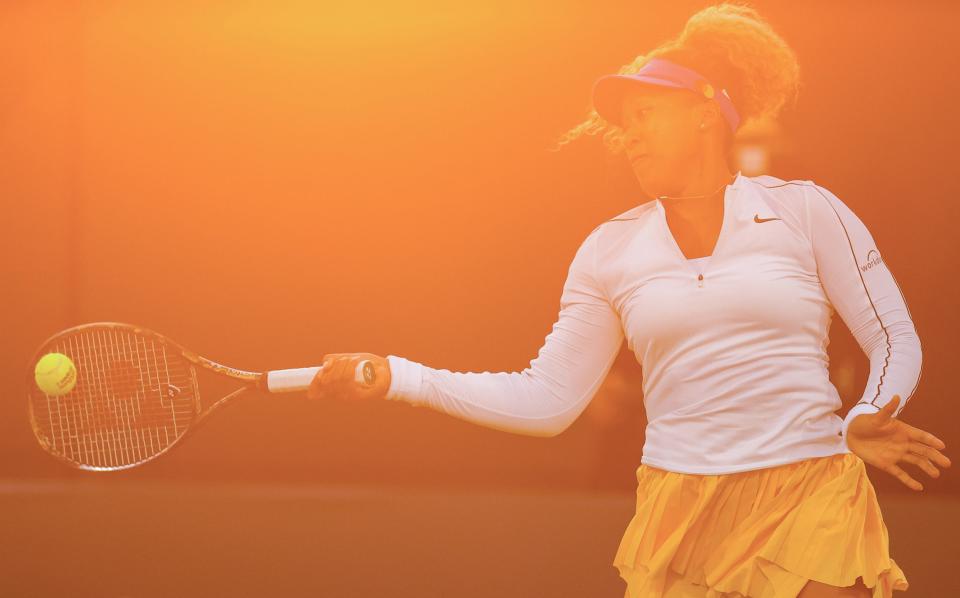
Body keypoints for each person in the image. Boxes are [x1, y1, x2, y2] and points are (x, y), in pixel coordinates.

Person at [306, 3, 951, 597]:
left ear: (705, 110)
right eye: (624, 123)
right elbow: (549, 401)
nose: (628, 135)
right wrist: (400, 377)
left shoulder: (806, 210)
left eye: (646, 114)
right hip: (675, 509)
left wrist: (867, 411)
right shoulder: (607, 250)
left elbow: (893, 333)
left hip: (809, 493)